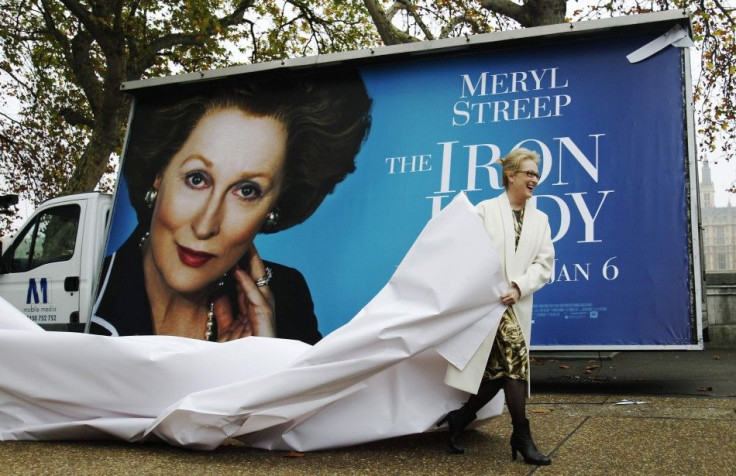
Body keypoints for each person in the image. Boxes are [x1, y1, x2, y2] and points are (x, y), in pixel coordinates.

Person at [90, 71, 372, 344]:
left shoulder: (285, 298)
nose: (205, 226)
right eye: (196, 179)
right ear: (158, 175)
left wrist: (264, 358)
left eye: (246, 191)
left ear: (273, 208)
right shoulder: (84, 286)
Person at [437, 148, 555, 465]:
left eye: (537, 175)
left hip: (515, 305)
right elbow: (464, 254)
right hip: (486, 306)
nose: (534, 179)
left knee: (500, 373)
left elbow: (545, 265)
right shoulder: (485, 211)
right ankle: (522, 433)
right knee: (516, 356)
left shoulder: (541, 220)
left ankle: (461, 417)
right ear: (511, 175)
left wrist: (519, 286)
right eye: (529, 173)